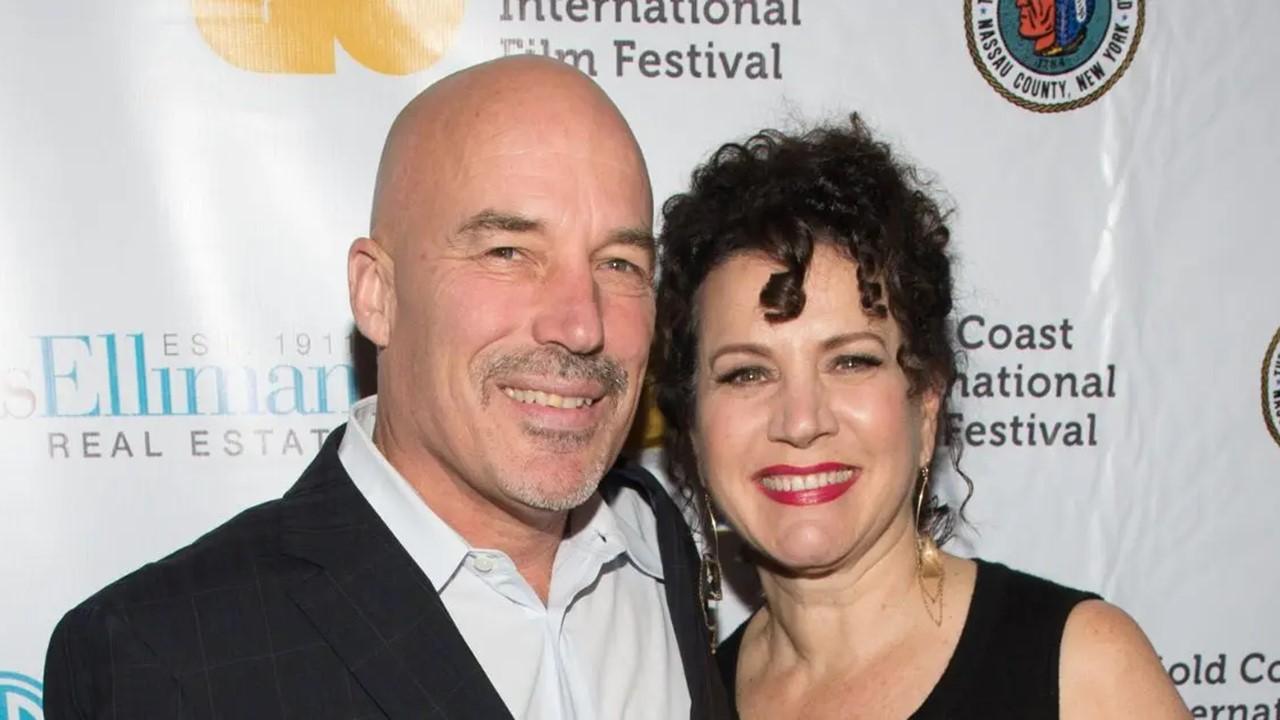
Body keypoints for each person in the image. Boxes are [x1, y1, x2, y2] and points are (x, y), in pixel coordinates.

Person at [43, 56, 727, 720]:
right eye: (508, 253)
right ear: (377, 293)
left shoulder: (661, 544)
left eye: (619, 262)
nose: (581, 324)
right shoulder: (160, 657)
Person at [653, 116, 1189, 718]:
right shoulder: (690, 701)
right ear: (694, 428)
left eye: (851, 361)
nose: (800, 421)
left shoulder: (1082, 670)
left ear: (927, 402)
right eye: (747, 373)